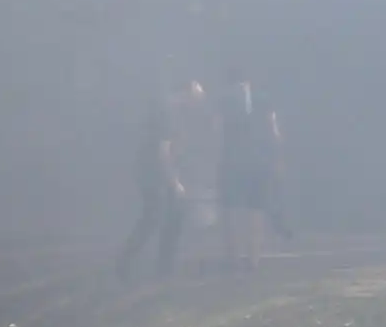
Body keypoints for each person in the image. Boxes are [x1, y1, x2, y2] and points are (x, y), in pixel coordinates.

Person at [115, 80, 206, 281]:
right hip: (153, 174)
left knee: (173, 214)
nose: (200, 98)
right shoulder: (167, 111)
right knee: (153, 217)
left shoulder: (173, 109)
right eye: (198, 92)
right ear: (189, 87)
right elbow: (162, 153)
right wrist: (175, 182)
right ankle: (126, 262)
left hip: (157, 171)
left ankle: (163, 267)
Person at [217, 68, 288, 270]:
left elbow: (217, 131)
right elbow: (275, 132)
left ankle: (233, 260)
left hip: (231, 162)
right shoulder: (263, 99)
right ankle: (254, 260)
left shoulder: (223, 100)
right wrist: (278, 159)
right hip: (259, 162)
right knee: (256, 210)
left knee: (231, 211)